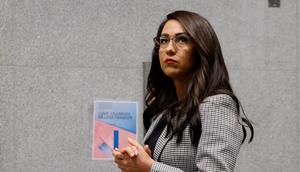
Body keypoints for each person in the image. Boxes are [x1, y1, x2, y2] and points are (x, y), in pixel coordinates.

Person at [112, 10, 254, 172]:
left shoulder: (217, 104)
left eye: (182, 40)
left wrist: (149, 166)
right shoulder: (165, 109)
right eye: (164, 40)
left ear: (202, 49)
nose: (169, 48)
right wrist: (136, 164)